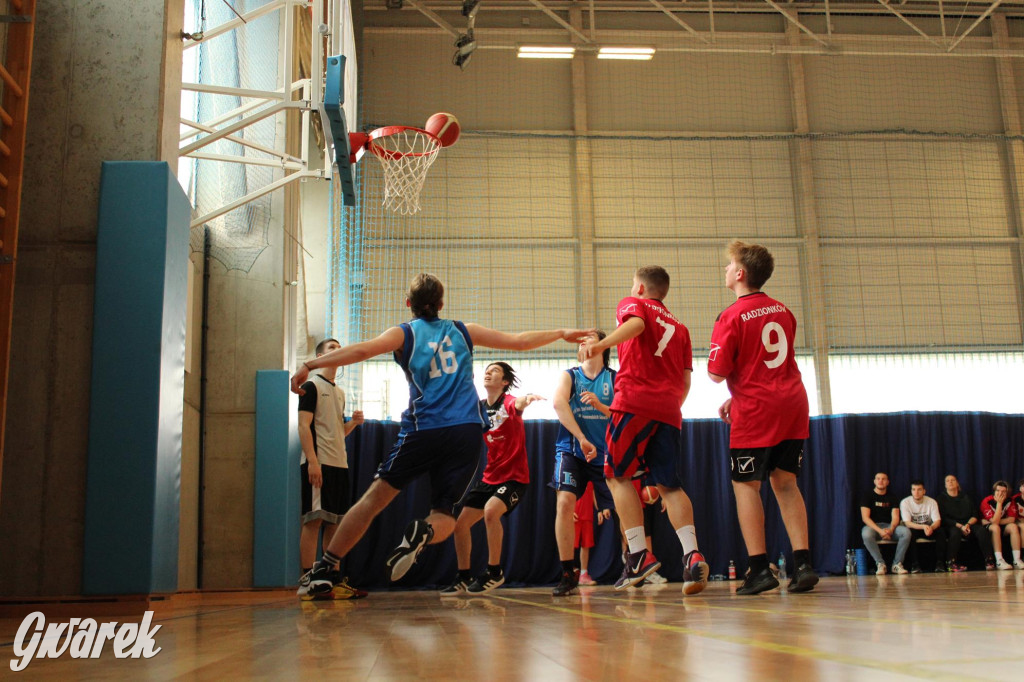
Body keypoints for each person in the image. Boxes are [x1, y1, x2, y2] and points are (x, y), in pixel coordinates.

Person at [292, 273, 592, 598]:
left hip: (424, 430)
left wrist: (311, 363)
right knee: (445, 513)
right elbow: (519, 341)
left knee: (373, 500)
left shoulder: (404, 333)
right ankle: (424, 531)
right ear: (441, 304)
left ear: (409, 303)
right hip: (465, 433)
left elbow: (361, 351)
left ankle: (327, 566)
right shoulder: (463, 330)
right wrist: (562, 332)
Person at [579, 266, 709, 595]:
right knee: (670, 487)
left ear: (639, 287)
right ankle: (692, 555)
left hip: (634, 402)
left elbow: (636, 325)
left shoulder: (632, 304)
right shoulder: (680, 328)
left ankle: (637, 554)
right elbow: (686, 380)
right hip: (668, 410)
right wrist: (669, 408)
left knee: (617, 476)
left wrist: (600, 345)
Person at [707, 241, 818, 595]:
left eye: (728, 266)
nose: (724, 271)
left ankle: (758, 568)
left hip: (757, 409)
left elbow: (716, 372)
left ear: (740, 274)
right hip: (793, 402)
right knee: (786, 484)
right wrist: (734, 397)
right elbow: (767, 361)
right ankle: (802, 565)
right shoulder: (784, 310)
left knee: (746, 485)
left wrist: (735, 393)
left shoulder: (731, 315)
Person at [440, 362, 544, 595]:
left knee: (490, 511)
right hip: (490, 478)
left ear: (505, 381)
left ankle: (494, 571)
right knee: (460, 525)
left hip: (514, 478)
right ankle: (463, 576)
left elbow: (519, 403)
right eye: (486, 370)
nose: (488, 372)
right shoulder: (477, 408)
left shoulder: (508, 402)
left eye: (495, 370)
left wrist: (528, 398)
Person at [296, 338, 367, 600]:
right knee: (314, 520)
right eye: (331, 349)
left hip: (340, 464)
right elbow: (304, 426)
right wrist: (313, 462)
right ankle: (306, 580)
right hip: (320, 463)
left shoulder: (339, 392)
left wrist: (354, 425)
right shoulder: (311, 385)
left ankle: (330, 580)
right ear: (319, 356)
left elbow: (337, 432)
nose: (337, 351)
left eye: (340, 348)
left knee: (335, 524)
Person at [550, 331, 617, 596]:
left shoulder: (614, 378)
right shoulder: (570, 375)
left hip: (606, 453)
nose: (582, 341)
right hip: (573, 450)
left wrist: (601, 406)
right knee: (565, 501)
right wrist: (581, 438)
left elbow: (624, 415)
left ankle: (635, 560)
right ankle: (568, 571)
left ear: (602, 345)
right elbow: (558, 403)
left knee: (625, 504)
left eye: (589, 337)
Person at [860, 472, 911, 575]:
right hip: (873, 527)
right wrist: (880, 531)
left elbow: (895, 517)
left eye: (883, 479)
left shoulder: (893, 497)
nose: (881, 481)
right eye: (878, 479)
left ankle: (897, 564)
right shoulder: (867, 496)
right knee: (866, 534)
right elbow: (865, 518)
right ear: (874, 481)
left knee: (906, 532)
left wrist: (891, 530)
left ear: (887, 482)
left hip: (889, 526)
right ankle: (880, 564)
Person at [936, 474, 985, 572]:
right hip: (951, 525)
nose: (950, 482)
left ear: (957, 483)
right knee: (955, 532)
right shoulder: (941, 499)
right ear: (945, 485)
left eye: (952, 480)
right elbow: (943, 518)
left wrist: (968, 525)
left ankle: (989, 560)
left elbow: (975, 515)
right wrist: (960, 526)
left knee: (982, 530)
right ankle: (951, 562)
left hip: (967, 524)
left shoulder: (966, 497)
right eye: (947, 481)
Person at [900, 481, 947, 572]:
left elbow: (937, 521)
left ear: (924, 491)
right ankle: (915, 564)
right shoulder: (905, 502)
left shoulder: (931, 501)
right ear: (911, 491)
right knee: (909, 534)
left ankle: (940, 564)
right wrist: (923, 527)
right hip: (915, 528)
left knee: (941, 532)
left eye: (919, 490)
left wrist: (931, 528)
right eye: (914, 490)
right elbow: (907, 523)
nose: (916, 492)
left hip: (929, 528)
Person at [979, 480, 1022, 570]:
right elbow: (994, 523)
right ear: (994, 491)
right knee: (995, 527)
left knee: (1013, 526)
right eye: (998, 491)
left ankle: (1017, 559)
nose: (1000, 493)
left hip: (999, 523)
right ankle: (999, 560)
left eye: (1003, 491)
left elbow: (1012, 519)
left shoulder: (1010, 501)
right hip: (989, 528)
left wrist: (996, 521)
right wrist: (999, 504)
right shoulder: (987, 501)